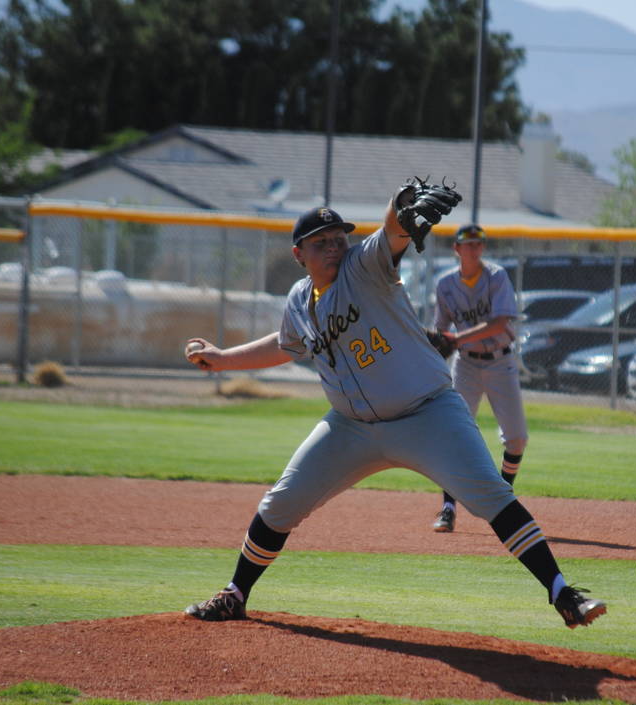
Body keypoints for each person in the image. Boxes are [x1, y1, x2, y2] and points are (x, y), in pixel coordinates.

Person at [182, 197, 608, 628]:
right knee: (279, 506)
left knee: (493, 496)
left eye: (338, 238)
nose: (334, 246)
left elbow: (392, 232)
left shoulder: (364, 267)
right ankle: (235, 595)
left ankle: (563, 593)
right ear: (298, 254)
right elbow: (286, 344)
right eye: (321, 242)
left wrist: (396, 206)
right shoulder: (298, 300)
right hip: (350, 428)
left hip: (427, 414)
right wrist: (222, 358)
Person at [430, 223, 528, 533]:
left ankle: (501, 497)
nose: (473, 248)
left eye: (478, 243)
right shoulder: (445, 285)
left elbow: (499, 323)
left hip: (501, 362)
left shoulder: (496, 276)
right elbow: (441, 331)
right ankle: (448, 508)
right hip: (466, 366)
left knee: (517, 438)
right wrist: (435, 344)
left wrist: (454, 340)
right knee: (451, 436)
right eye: (467, 243)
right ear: (456, 249)